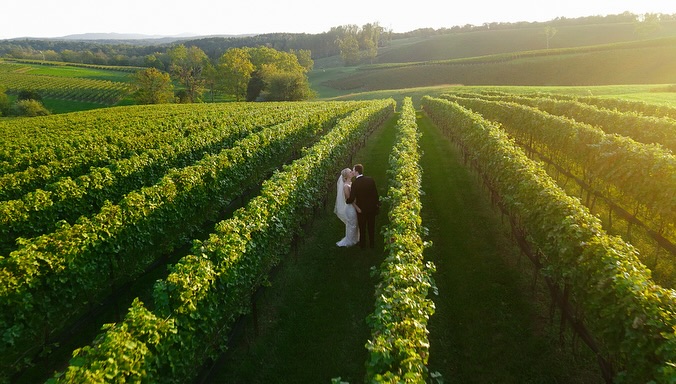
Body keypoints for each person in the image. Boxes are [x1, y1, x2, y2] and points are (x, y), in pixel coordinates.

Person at [346, 164, 379, 249]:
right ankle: (372, 244)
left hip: (361, 209)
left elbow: (352, 198)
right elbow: (375, 194)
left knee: (362, 227)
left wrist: (347, 200)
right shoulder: (370, 180)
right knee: (371, 226)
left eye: (353, 170)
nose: (353, 172)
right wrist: (377, 204)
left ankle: (363, 245)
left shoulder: (355, 183)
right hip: (371, 207)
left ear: (357, 172)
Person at [334, 168, 360, 247]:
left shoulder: (350, 183)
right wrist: (357, 208)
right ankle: (350, 241)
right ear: (346, 176)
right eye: (350, 172)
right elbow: (349, 200)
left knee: (354, 223)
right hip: (350, 208)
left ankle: (355, 239)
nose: (352, 172)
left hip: (352, 207)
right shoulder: (346, 186)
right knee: (352, 224)